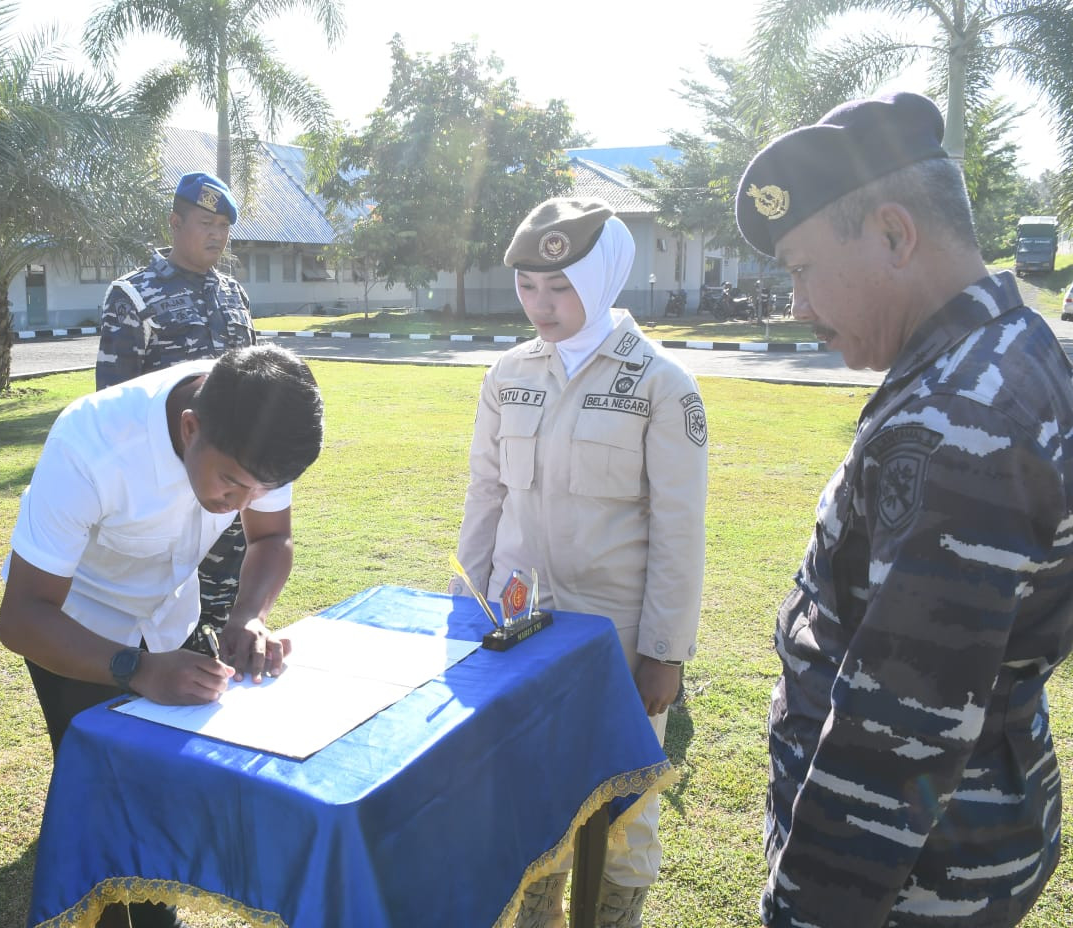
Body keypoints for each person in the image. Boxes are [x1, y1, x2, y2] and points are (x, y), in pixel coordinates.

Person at [735, 92, 1073, 927]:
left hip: (914, 882)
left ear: (894, 234)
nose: (797, 305)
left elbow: (896, 740)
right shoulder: (1011, 353)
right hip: (972, 828)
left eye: (802, 268)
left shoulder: (962, 422)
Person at [0, 342, 323, 928]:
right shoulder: (92, 442)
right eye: (232, 483)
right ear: (190, 426)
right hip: (73, 629)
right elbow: (21, 616)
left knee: (165, 792)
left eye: (256, 488)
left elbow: (271, 539)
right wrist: (140, 669)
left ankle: (156, 912)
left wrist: (248, 614)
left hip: (172, 616)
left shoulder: (261, 430)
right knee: (104, 799)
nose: (242, 503)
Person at [453, 198, 708, 928]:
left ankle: (612, 916)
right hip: (519, 627)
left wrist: (664, 652)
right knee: (531, 792)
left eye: (559, 286)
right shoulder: (508, 373)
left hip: (615, 640)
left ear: (600, 279)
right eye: (528, 285)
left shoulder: (660, 384)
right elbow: (485, 493)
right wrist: (457, 606)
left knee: (622, 803)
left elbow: (679, 530)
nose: (541, 305)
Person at [95, 172, 256, 654]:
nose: (217, 235)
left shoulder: (233, 294)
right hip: (166, 485)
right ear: (174, 222)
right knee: (164, 623)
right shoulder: (133, 296)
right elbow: (116, 405)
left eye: (224, 226)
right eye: (206, 222)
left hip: (230, 484)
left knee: (224, 610)